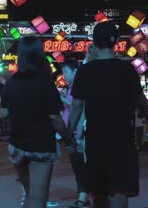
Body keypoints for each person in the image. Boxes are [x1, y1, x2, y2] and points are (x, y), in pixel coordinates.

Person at [67, 22, 148, 208]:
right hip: (123, 138)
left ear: (94, 42)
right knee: (120, 189)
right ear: (116, 42)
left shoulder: (85, 71)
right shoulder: (127, 69)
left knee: (99, 191)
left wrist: (68, 135)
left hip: (96, 138)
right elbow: (141, 101)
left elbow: (75, 107)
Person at [1, 36, 74, 208]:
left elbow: (4, 113)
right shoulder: (46, 82)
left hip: (17, 144)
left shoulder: (11, 82)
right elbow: (55, 117)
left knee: (28, 195)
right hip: (40, 146)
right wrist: (68, 139)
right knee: (38, 198)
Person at [61, 57, 90, 208]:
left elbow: (78, 108)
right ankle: (84, 196)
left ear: (75, 71)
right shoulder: (71, 88)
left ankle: (83, 197)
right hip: (72, 133)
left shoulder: (79, 89)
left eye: (66, 71)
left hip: (77, 133)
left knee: (80, 166)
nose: (64, 75)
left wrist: (78, 134)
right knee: (77, 165)